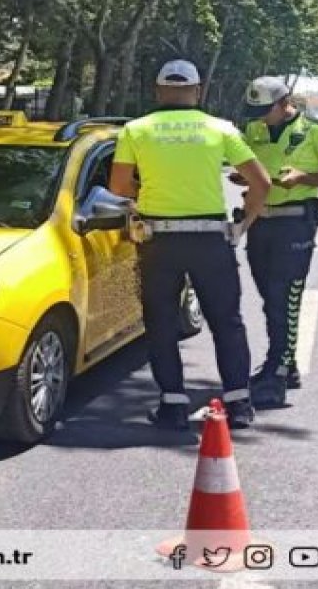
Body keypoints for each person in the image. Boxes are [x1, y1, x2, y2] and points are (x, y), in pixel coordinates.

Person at [109, 60, 272, 430]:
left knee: (162, 324)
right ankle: (239, 403)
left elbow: (118, 188)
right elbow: (261, 183)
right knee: (227, 322)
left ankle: (172, 405)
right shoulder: (220, 129)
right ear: (198, 92)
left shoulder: (135, 130)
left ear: (158, 91)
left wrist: (146, 198)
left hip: (158, 240)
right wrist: (243, 223)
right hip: (211, 240)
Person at [233, 77, 318, 409]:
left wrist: (303, 178)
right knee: (269, 297)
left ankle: (277, 373)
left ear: (285, 103)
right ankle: (286, 365)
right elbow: (250, 169)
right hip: (260, 220)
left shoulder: (315, 132)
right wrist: (244, 177)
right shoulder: (253, 132)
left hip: (295, 223)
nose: (259, 117)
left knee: (284, 297)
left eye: (264, 110)